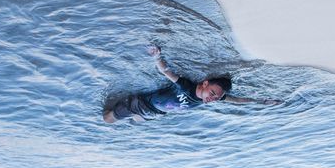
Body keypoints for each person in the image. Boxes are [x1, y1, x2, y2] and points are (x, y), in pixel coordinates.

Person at [103, 46, 282, 123]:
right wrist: (157, 56)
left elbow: (237, 100)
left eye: (216, 97)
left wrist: (261, 102)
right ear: (205, 84)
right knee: (108, 120)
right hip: (141, 103)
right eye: (212, 92)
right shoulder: (186, 86)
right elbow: (166, 72)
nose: (212, 99)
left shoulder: (212, 98)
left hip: (156, 114)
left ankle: (131, 117)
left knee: (135, 120)